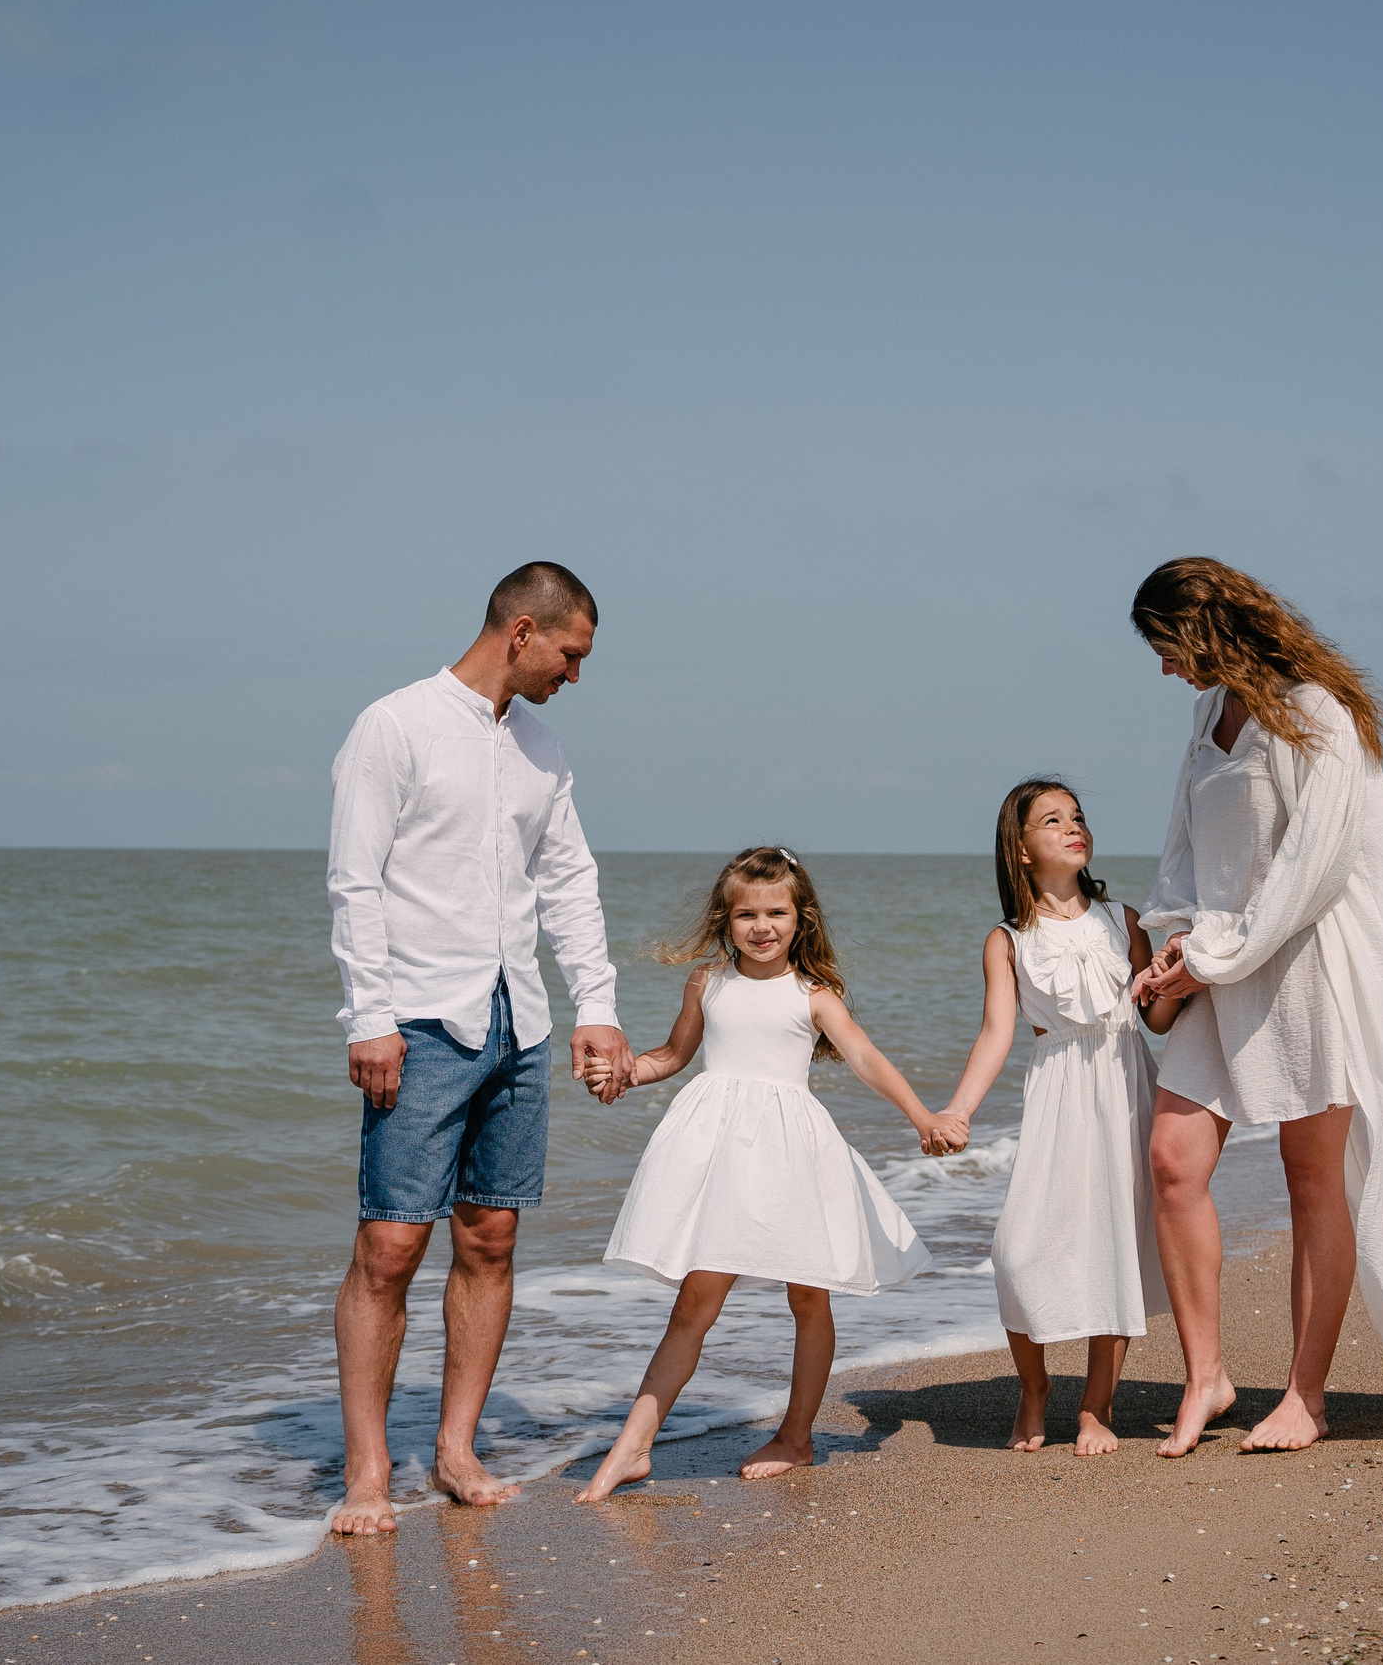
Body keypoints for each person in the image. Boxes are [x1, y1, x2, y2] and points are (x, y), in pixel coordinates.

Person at [1127, 555, 1383, 1454]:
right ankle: (1206, 1376)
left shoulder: (1315, 712)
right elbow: (1183, 852)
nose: (1165, 667)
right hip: (1220, 961)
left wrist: (1213, 959)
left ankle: (1305, 1395)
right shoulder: (1206, 717)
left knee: (1312, 1181)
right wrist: (1173, 944)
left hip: (1306, 965)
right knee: (1172, 1160)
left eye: (1166, 646)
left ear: (1207, 627)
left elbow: (1315, 866)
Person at [323, 561, 635, 1535]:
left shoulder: (541, 749)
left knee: (490, 1238)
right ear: (521, 632)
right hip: (417, 1020)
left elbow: (569, 880)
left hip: (517, 1022)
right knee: (389, 1246)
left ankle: (455, 1450)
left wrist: (596, 1005)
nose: (574, 676)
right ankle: (368, 1469)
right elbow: (355, 882)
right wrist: (368, 1017)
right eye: (569, 656)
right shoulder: (396, 725)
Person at [575, 847, 958, 1500]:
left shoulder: (813, 996)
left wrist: (923, 1115)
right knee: (695, 1299)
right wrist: (624, 1072)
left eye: (776, 912)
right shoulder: (707, 982)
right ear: (725, 920)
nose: (761, 926)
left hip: (791, 1155)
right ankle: (632, 1447)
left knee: (808, 1296)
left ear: (800, 917)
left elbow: (865, 1057)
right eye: (746, 914)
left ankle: (796, 1436)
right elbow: (674, 1054)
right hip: (718, 1155)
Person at [937, 780, 1180, 1455]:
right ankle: (1035, 1385)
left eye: (1078, 816)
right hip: (1057, 1094)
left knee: (1116, 1245)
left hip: (1126, 1087)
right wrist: (958, 1109)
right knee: (1018, 1249)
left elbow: (1158, 1020)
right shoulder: (1009, 940)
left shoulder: (1124, 920)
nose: (1073, 826)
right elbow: (996, 1033)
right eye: (1052, 820)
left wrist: (1172, 971)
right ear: (1020, 849)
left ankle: (1097, 1405)